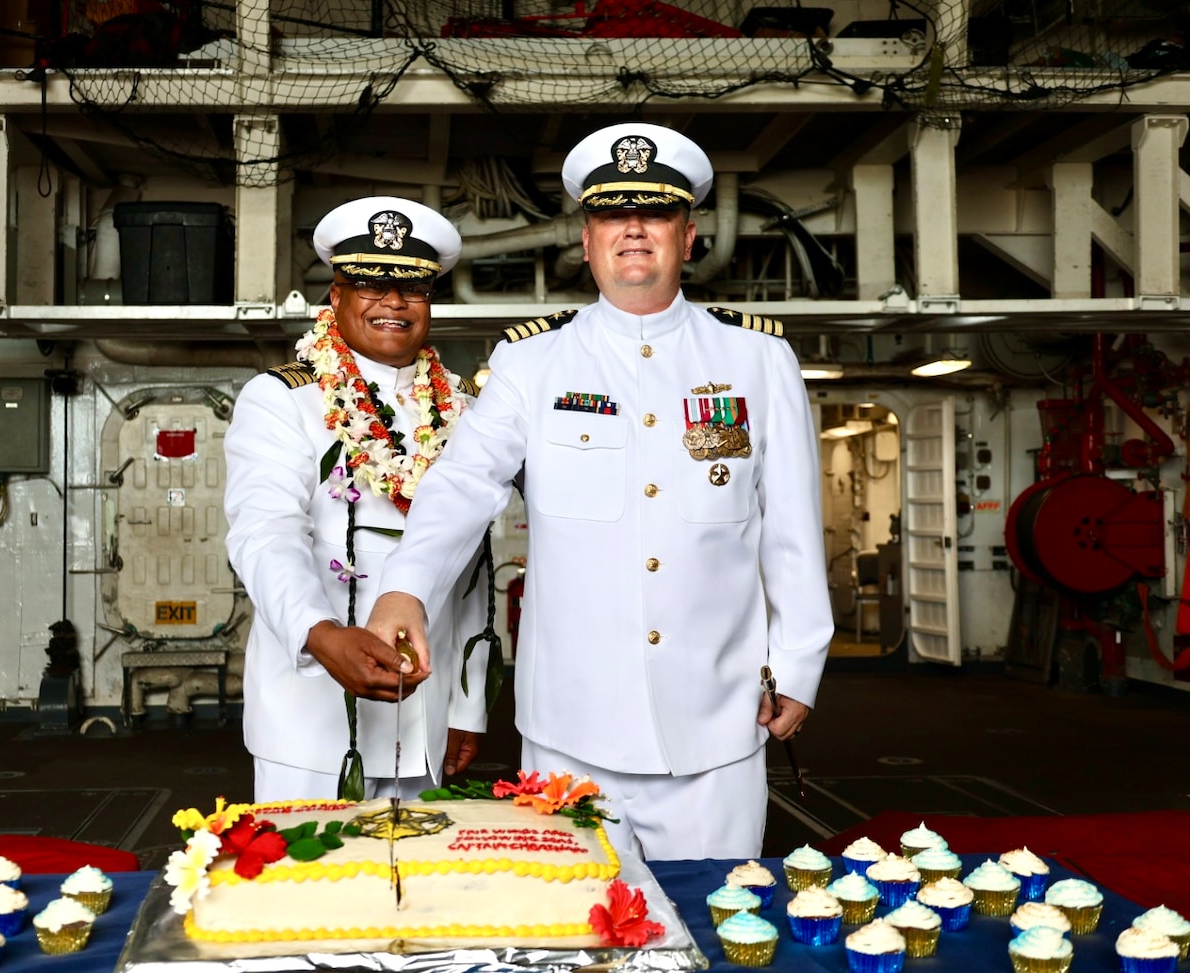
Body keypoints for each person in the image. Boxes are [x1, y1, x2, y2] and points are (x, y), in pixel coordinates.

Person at [365, 124, 833, 860]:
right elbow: (463, 485)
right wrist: (405, 589)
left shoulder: (758, 359)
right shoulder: (531, 360)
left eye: (656, 212)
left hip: (716, 729)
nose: (635, 229)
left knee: (713, 927)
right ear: (586, 240)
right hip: (569, 735)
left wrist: (801, 661)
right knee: (575, 937)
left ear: (690, 234)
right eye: (615, 214)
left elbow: (792, 532)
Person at [223, 196, 490, 803]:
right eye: (371, 283)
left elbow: (474, 565)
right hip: (309, 717)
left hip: (424, 719)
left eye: (413, 288)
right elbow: (263, 534)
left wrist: (468, 706)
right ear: (335, 298)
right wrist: (320, 634)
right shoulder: (281, 400)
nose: (393, 302)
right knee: (313, 887)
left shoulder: (464, 409)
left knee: (423, 889)